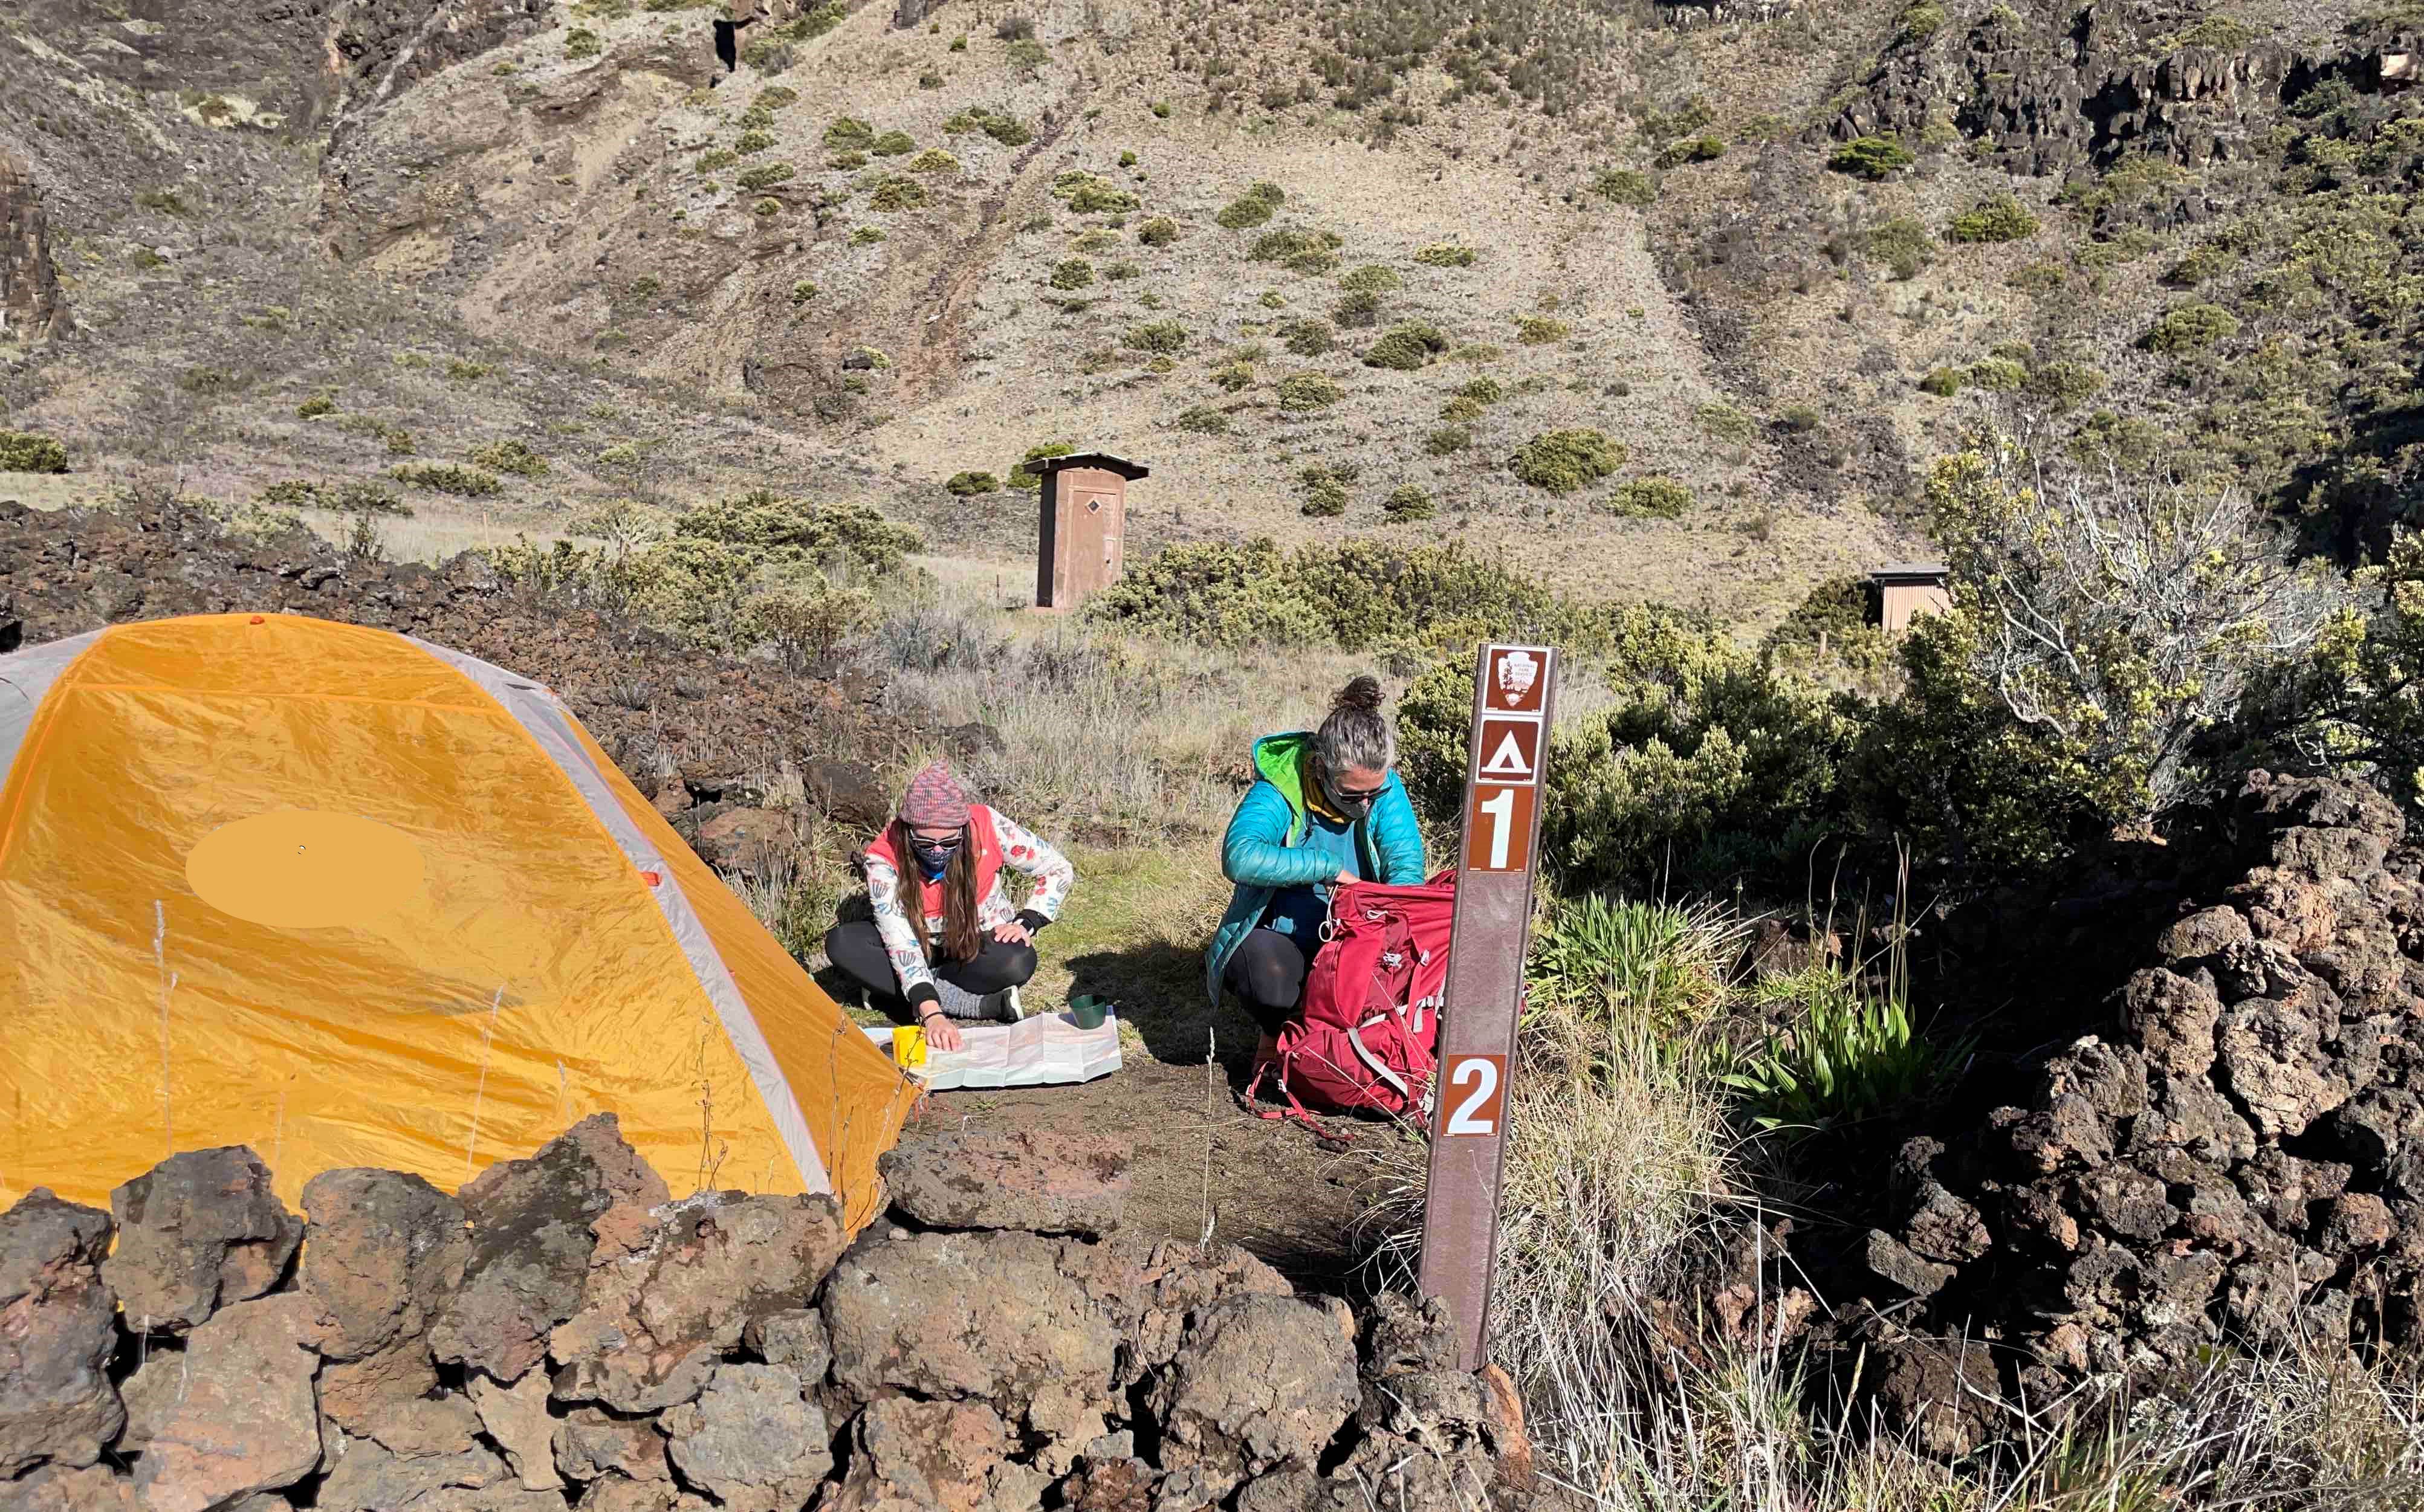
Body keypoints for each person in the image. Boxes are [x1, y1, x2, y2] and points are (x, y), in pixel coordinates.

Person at [1205, 675, 1426, 1061]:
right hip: (1283, 936)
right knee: (1267, 980)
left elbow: (1405, 867)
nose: (1366, 806)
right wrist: (1326, 867)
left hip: (1356, 937)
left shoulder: (1385, 790)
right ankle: (1276, 1037)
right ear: (1320, 768)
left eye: (1374, 793)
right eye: (1352, 795)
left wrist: (1389, 919)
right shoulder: (1280, 790)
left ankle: (1334, 1051)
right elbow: (1239, 856)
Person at [825, 761, 1075, 1052]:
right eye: (925, 843)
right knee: (843, 943)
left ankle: (895, 994)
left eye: (949, 842)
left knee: (1017, 960)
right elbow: (898, 939)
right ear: (908, 832)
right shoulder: (883, 857)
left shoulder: (986, 825)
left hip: (975, 941)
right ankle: (976, 1005)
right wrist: (932, 1016)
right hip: (916, 943)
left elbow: (1057, 867)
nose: (939, 852)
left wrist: (1026, 922)